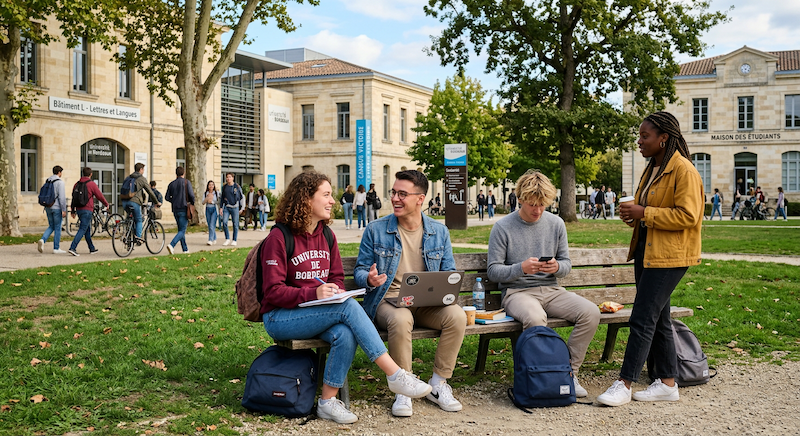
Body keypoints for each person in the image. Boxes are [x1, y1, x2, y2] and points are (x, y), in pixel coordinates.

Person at [260, 171, 432, 424]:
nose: (333, 201)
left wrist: (336, 291)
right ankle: (394, 374)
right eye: (326, 195)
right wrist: (314, 293)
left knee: (346, 332)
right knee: (348, 309)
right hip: (281, 317)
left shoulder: (327, 236)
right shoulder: (279, 237)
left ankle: (328, 401)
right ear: (306, 199)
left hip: (318, 312)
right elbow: (272, 292)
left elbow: (337, 277)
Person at [597, 111, 703, 407]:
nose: (640, 142)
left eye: (645, 136)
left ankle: (624, 383)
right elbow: (648, 211)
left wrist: (645, 213)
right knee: (659, 319)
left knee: (642, 317)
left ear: (663, 138)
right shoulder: (653, 167)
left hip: (671, 256)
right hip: (646, 251)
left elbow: (689, 215)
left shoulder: (683, 170)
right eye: (639, 136)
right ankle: (667, 383)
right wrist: (634, 215)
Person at [355, 170, 466, 417]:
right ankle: (403, 391)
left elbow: (448, 272)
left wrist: (444, 287)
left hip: (425, 302)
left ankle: (438, 384)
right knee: (401, 318)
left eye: (402, 194)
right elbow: (360, 270)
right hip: (388, 300)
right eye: (394, 192)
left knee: (457, 316)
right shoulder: (376, 229)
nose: (395, 198)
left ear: (420, 199)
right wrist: (369, 279)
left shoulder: (439, 231)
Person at [487, 170, 599, 398]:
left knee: (591, 312)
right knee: (536, 319)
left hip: (552, 289)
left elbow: (567, 264)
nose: (537, 210)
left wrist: (557, 267)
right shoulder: (503, 227)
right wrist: (521, 268)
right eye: (532, 204)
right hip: (517, 292)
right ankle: (537, 377)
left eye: (542, 204)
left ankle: (568, 373)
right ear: (519, 199)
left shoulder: (556, 224)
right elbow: (493, 271)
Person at [67, 167, 110, 256]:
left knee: (87, 229)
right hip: (87, 209)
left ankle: (92, 248)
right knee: (83, 229)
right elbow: (99, 196)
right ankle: (72, 247)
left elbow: (74, 197)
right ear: (90, 174)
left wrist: (73, 210)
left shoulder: (77, 184)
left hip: (79, 209)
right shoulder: (91, 184)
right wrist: (106, 204)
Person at [121, 163, 160, 242]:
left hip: (125, 202)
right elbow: (150, 192)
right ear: (141, 169)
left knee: (130, 218)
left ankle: (127, 235)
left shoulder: (128, 177)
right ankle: (138, 238)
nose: (144, 171)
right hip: (134, 202)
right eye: (143, 169)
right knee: (139, 220)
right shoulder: (141, 179)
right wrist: (157, 202)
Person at [37, 165, 68, 254]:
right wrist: (64, 209)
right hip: (57, 207)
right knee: (58, 227)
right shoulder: (60, 182)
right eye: (61, 172)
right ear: (59, 172)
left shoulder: (48, 180)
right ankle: (56, 248)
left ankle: (43, 239)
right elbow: (62, 197)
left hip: (48, 206)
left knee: (51, 226)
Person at [165, 167, 195, 255]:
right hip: (184, 208)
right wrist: (192, 203)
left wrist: (173, 201)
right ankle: (172, 244)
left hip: (175, 209)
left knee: (180, 230)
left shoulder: (171, 184)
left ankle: (185, 249)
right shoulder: (186, 182)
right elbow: (191, 195)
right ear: (184, 173)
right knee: (182, 230)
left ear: (176, 174)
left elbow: (167, 197)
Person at [220, 173, 244, 246]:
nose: (228, 178)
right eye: (227, 177)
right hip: (227, 207)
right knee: (224, 222)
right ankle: (227, 238)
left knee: (235, 224)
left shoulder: (236, 186)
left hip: (235, 207)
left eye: (230, 177)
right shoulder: (224, 187)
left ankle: (234, 239)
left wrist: (239, 204)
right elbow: (222, 198)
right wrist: (221, 207)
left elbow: (241, 196)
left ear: (233, 178)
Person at [202, 180, 219, 245]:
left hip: (214, 209)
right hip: (208, 209)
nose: (211, 186)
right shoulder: (205, 193)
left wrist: (212, 201)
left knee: (212, 225)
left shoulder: (216, 193)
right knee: (210, 225)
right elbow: (203, 202)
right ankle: (214, 238)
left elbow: (219, 201)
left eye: (212, 185)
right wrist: (207, 198)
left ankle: (210, 240)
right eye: (210, 185)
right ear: (208, 186)